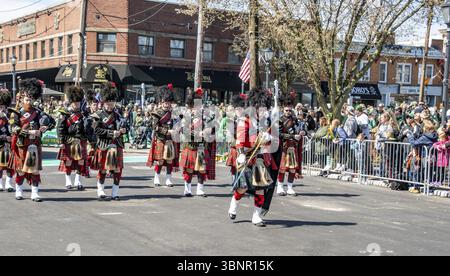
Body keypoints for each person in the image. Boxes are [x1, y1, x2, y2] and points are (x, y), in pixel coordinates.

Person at [228, 89, 278, 227]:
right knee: (242, 188)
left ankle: (256, 216)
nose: (263, 112)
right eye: (260, 109)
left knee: (260, 188)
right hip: (247, 157)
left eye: (264, 109)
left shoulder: (265, 123)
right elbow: (239, 140)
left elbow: (270, 141)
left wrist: (268, 139)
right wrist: (241, 154)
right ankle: (234, 203)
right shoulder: (245, 121)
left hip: (260, 159)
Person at [9, 78, 56, 202]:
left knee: (34, 170)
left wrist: (45, 128)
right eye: (26, 99)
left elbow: (53, 122)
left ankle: (35, 193)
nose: (29, 101)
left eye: (30, 99)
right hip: (21, 145)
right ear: (22, 99)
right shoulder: (16, 113)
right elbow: (13, 128)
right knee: (20, 170)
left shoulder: (39, 112)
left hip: (35, 144)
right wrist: (29, 132)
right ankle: (19, 191)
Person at [90, 82, 127, 201]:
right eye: (108, 102)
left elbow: (125, 127)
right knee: (103, 169)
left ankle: (115, 193)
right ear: (103, 101)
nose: (110, 104)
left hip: (116, 144)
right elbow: (97, 130)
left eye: (112, 102)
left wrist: (123, 130)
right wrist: (111, 133)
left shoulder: (118, 115)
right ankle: (100, 191)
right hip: (104, 145)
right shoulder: (97, 115)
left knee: (117, 169)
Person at [179, 88, 215, 197]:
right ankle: (187, 189)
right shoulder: (186, 116)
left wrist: (208, 130)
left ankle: (200, 189)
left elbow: (213, 127)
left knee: (201, 169)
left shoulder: (206, 116)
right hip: (190, 145)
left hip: (201, 146)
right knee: (189, 169)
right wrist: (197, 134)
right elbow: (183, 130)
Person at [56, 87, 89, 191]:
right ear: (71, 102)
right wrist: (61, 141)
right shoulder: (65, 114)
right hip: (68, 140)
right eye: (75, 103)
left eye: (78, 103)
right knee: (68, 161)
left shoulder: (84, 114)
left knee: (81, 161)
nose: (77, 105)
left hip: (81, 140)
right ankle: (68, 180)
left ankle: (78, 181)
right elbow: (60, 128)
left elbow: (88, 129)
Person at [147, 84, 179, 188]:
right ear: (161, 102)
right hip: (160, 138)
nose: (167, 104)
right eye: (165, 102)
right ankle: (156, 177)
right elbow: (155, 127)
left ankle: (168, 179)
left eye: (168, 102)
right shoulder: (156, 113)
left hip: (170, 139)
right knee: (160, 159)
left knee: (169, 159)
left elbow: (178, 124)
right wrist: (167, 131)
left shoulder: (174, 113)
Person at [276, 92, 303, 196]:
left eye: (290, 110)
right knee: (282, 168)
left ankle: (290, 188)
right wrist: (292, 136)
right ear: (283, 109)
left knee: (292, 168)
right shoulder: (280, 120)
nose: (288, 111)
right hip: (284, 147)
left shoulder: (295, 120)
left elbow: (299, 129)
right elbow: (279, 134)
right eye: (286, 110)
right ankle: (280, 187)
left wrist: (302, 132)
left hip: (293, 147)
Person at [0, 89, 14, 193]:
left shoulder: (10, 116)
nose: (1, 109)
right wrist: (4, 138)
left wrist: (12, 136)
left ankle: (9, 183)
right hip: (0, 144)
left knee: (10, 166)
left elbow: (15, 128)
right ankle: (0, 184)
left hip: (10, 145)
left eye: (3, 106)